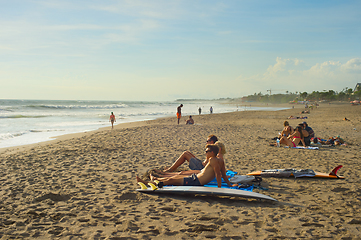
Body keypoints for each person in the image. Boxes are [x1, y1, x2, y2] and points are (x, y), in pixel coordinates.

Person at [137, 144, 232, 188]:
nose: (205, 153)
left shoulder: (212, 160)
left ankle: (147, 183)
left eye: (206, 151)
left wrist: (219, 188)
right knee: (175, 177)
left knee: (171, 180)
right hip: (195, 178)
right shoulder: (220, 161)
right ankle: (155, 180)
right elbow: (224, 175)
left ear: (212, 152)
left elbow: (218, 175)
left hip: (196, 181)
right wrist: (229, 185)